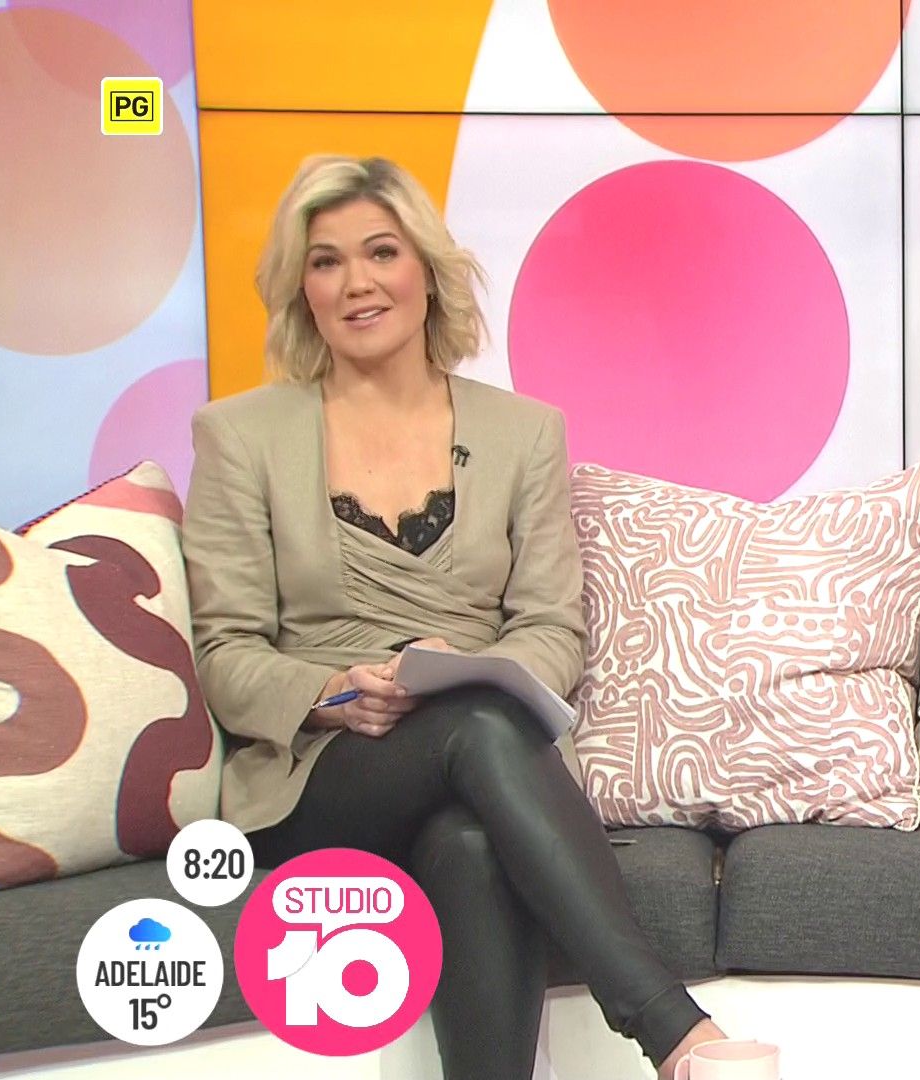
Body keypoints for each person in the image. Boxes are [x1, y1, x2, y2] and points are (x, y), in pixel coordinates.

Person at [184, 155, 727, 1080]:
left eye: (380, 252)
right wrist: (332, 690)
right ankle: (674, 1032)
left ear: (427, 272)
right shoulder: (241, 436)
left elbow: (552, 629)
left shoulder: (524, 432)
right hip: (319, 776)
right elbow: (226, 651)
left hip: (478, 764)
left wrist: (471, 668)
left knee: (470, 839)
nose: (356, 283)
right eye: (325, 262)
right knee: (477, 725)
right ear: (301, 290)